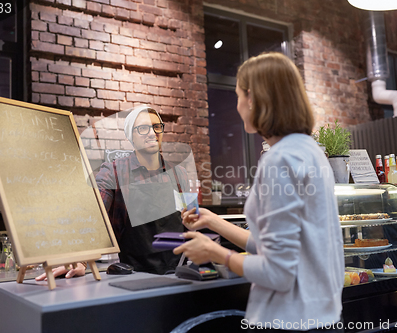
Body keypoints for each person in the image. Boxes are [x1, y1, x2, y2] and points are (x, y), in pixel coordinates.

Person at [174, 52, 344, 332]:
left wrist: (215, 252)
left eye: (238, 95)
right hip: (318, 315)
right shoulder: (308, 150)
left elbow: (278, 272)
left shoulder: (280, 159)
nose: (238, 105)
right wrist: (214, 221)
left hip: (288, 319)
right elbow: (276, 247)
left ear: (253, 98)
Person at [36, 105, 189, 280]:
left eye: (156, 126)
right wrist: (80, 260)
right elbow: (94, 216)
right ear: (131, 135)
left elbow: (191, 223)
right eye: (143, 128)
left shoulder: (179, 174)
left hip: (179, 275)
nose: (152, 133)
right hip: (135, 279)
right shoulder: (114, 172)